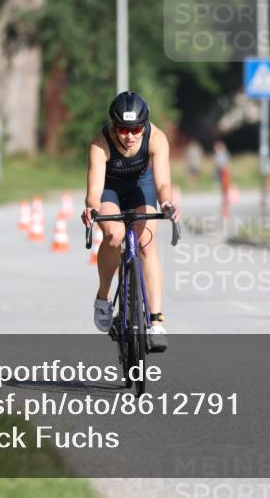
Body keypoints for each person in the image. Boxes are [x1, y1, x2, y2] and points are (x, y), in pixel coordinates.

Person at [81, 92, 179, 351]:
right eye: (123, 129)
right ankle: (103, 297)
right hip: (110, 188)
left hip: (142, 186)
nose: (130, 135)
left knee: (146, 242)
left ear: (144, 125)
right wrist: (91, 208)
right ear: (114, 126)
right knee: (114, 235)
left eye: (135, 128)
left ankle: (156, 322)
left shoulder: (156, 138)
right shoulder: (100, 144)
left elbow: (163, 183)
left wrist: (167, 202)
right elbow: (94, 190)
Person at [212, 140, 231, 204]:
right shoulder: (217, 154)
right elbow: (216, 162)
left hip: (224, 170)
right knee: (220, 182)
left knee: (225, 185)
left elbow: (227, 162)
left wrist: (225, 167)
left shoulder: (224, 154)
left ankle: (225, 197)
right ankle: (223, 196)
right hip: (219, 170)